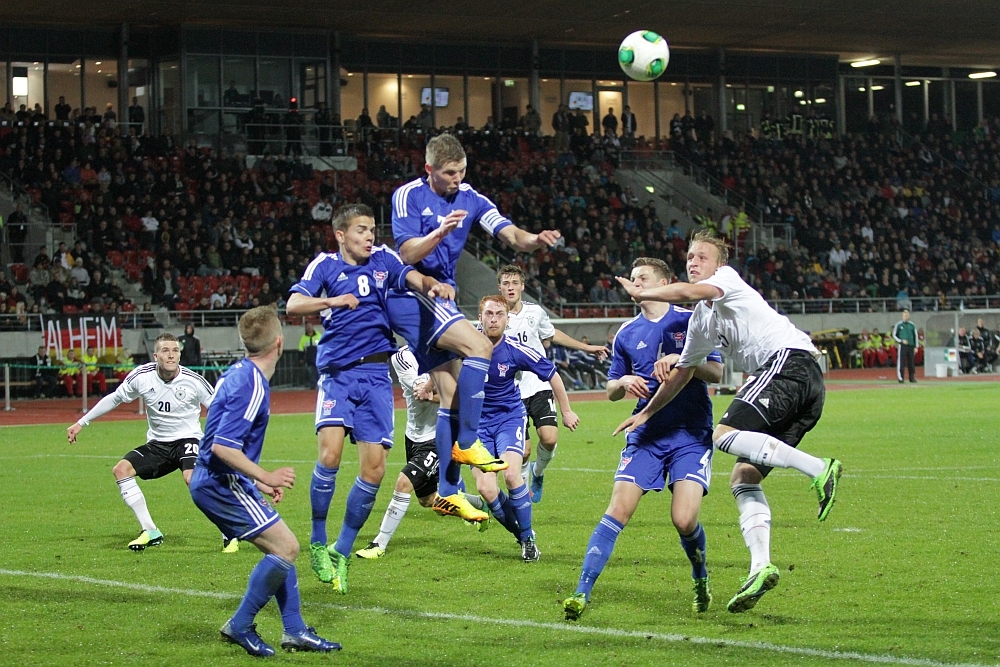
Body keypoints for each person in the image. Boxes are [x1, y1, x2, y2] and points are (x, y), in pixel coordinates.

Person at [613, 231, 843, 614]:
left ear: (718, 264)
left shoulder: (727, 280)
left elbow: (688, 292)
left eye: (702, 257)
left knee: (722, 434)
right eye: (690, 257)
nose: (693, 262)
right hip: (802, 387)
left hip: (788, 363)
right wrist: (646, 413)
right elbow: (684, 372)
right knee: (743, 478)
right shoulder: (701, 321)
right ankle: (760, 566)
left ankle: (820, 468)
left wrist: (644, 293)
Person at [284, 204, 466, 593]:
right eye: (361, 230)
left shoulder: (384, 259)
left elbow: (412, 275)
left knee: (375, 470)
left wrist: (431, 285)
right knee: (330, 456)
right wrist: (332, 301)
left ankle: (341, 551)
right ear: (340, 235)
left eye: (371, 229)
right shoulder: (325, 266)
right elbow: (293, 304)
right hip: (338, 374)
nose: (369, 236)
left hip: (376, 376)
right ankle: (317, 540)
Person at [389, 133, 561, 523]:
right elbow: (406, 253)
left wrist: (535, 239)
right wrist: (440, 233)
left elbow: (511, 235)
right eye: (450, 172)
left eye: (462, 171)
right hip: (411, 295)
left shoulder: (471, 198)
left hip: (441, 299)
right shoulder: (408, 196)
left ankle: (450, 489)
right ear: (429, 169)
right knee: (481, 347)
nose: (458, 179)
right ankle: (468, 442)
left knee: (450, 395)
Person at [563, 258, 723, 621]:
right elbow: (611, 390)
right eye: (633, 279)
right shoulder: (626, 333)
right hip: (646, 435)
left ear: (664, 283)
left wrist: (682, 359)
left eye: (643, 278)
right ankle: (581, 592)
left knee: (684, 520)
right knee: (617, 510)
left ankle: (700, 576)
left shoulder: (690, 320)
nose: (635, 284)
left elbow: (716, 371)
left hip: (689, 434)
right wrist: (622, 382)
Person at [189, 307, 340, 656]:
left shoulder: (237, 374)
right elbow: (223, 446)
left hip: (220, 478)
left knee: (280, 548)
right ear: (279, 342)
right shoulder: (252, 383)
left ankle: (295, 631)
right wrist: (265, 475)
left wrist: (257, 484)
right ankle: (240, 625)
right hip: (219, 482)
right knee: (287, 547)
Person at [66, 334, 217, 551]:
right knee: (121, 470)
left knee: (191, 478)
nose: (171, 355)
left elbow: (217, 406)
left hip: (188, 439)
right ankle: (151, 531)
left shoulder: (194, 380)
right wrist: (82, 422)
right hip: (158, 444)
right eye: (165, 350)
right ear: (156, 356)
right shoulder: (142, 376)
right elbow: (115, 398)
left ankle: (228, 529)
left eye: (175, 350)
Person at [355, 345, 488, 560]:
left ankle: (379, 544)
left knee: (403, 483)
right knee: (427, 500)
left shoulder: (450, 353)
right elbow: (423, 394)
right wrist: (451, 392)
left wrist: (452, 392)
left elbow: (460, 394)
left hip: (438, 437)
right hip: (413, 436)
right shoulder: (402, 357)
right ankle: (478, 505)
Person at [475, 295, 579, 561]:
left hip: (508, 419)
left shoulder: (514, 349)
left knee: (511, 475)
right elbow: (441, 363)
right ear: (480, 317)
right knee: (487, 489)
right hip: (477, 425)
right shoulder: (466, 345)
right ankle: (524, 536)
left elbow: (552, 373)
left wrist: (566, 410)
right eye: (489, 314)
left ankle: (528, 539)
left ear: (507, 320)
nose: (494, 319)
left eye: (500, 314)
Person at [496, 264, 608, 502]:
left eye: (515, 283)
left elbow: (552, 334)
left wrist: (586, 348)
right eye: (506, 283)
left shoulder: (535, 312)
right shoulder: (494, 316)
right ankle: (522, 496)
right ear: (499, 287)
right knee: (523, 451)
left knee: (549, 438)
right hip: (511, 392)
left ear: (522, 286)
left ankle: (537, 473)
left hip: (539, 385)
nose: (510, 287)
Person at [892, 309, 917, 383]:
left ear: (909, 316)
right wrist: (901, 341)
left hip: (911, 345)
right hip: (902, 346)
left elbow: (915, 336)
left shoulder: (912, 325)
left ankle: (911, 377)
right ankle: (901, 378)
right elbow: (894, 335)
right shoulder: (899, 325)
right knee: (901, 362)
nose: (906, 316)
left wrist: (916, 346)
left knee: (911, 362)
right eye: (904, 315)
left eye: (907, 315)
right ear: (902, 316)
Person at [298, 322, 321, 388]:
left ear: (313, 327)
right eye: (307, 327)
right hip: (309, 359)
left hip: (318, 358)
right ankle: (313, 386)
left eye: (310, 326)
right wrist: (301, 358)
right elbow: (301, 348)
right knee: (311, 373)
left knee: (319, 373)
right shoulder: (303, 338)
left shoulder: (319, 335)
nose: (309, 328)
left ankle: (320, 385)